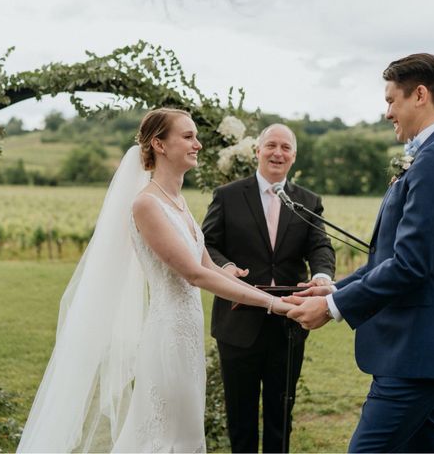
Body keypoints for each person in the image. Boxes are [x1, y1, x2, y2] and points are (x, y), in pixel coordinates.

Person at [17, 108, 293, 453]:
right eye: (188, 136)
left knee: (184, 434)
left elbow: (208, 265)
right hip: (168, 339)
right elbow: (193, 274)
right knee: (164, 438)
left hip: (188, 336)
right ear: (159, 144)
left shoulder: (177, 201)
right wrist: (272, 303)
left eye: (196, 136)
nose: (199, 144)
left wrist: (232, 275)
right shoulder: (146, 205)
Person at [284, 53, 434, 452]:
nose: (387, 111)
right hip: (416, 350)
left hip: (417, 350)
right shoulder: (433, 153)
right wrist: (334, 289)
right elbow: (390, 254)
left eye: (392, 100)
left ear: (420, 95)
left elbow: (411, 265)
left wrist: (333, 308)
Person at [201, 123, 335, 453]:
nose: (278, 152)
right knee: (240, 417)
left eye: (286, 147)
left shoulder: (307, 201)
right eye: (271, 145)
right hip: (237, 322)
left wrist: (321, 275)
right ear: (257, 151)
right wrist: (225, 267)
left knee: (281, 416)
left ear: (294, 157)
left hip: (288, 324)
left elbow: (320, 247)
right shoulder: (228, 195)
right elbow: (206, 244)